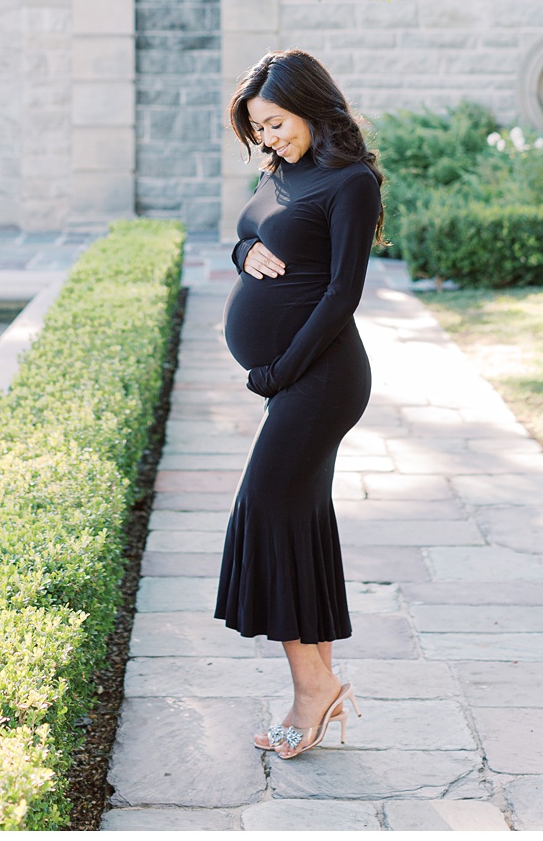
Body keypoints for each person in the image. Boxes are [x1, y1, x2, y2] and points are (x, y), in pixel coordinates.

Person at [215, 48, 385, 759]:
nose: (268, 139)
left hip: (321, 378)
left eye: (276, 123)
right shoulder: (283, 169)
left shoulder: (352, 181)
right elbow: (250, 229)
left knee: (268, 510)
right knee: (296, 519)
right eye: (258, 129)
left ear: (310, 106)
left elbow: (342, 291)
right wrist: (242, 251)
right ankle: (319, 685)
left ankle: (314, 689)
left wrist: (278, 370)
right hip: (295, 379)